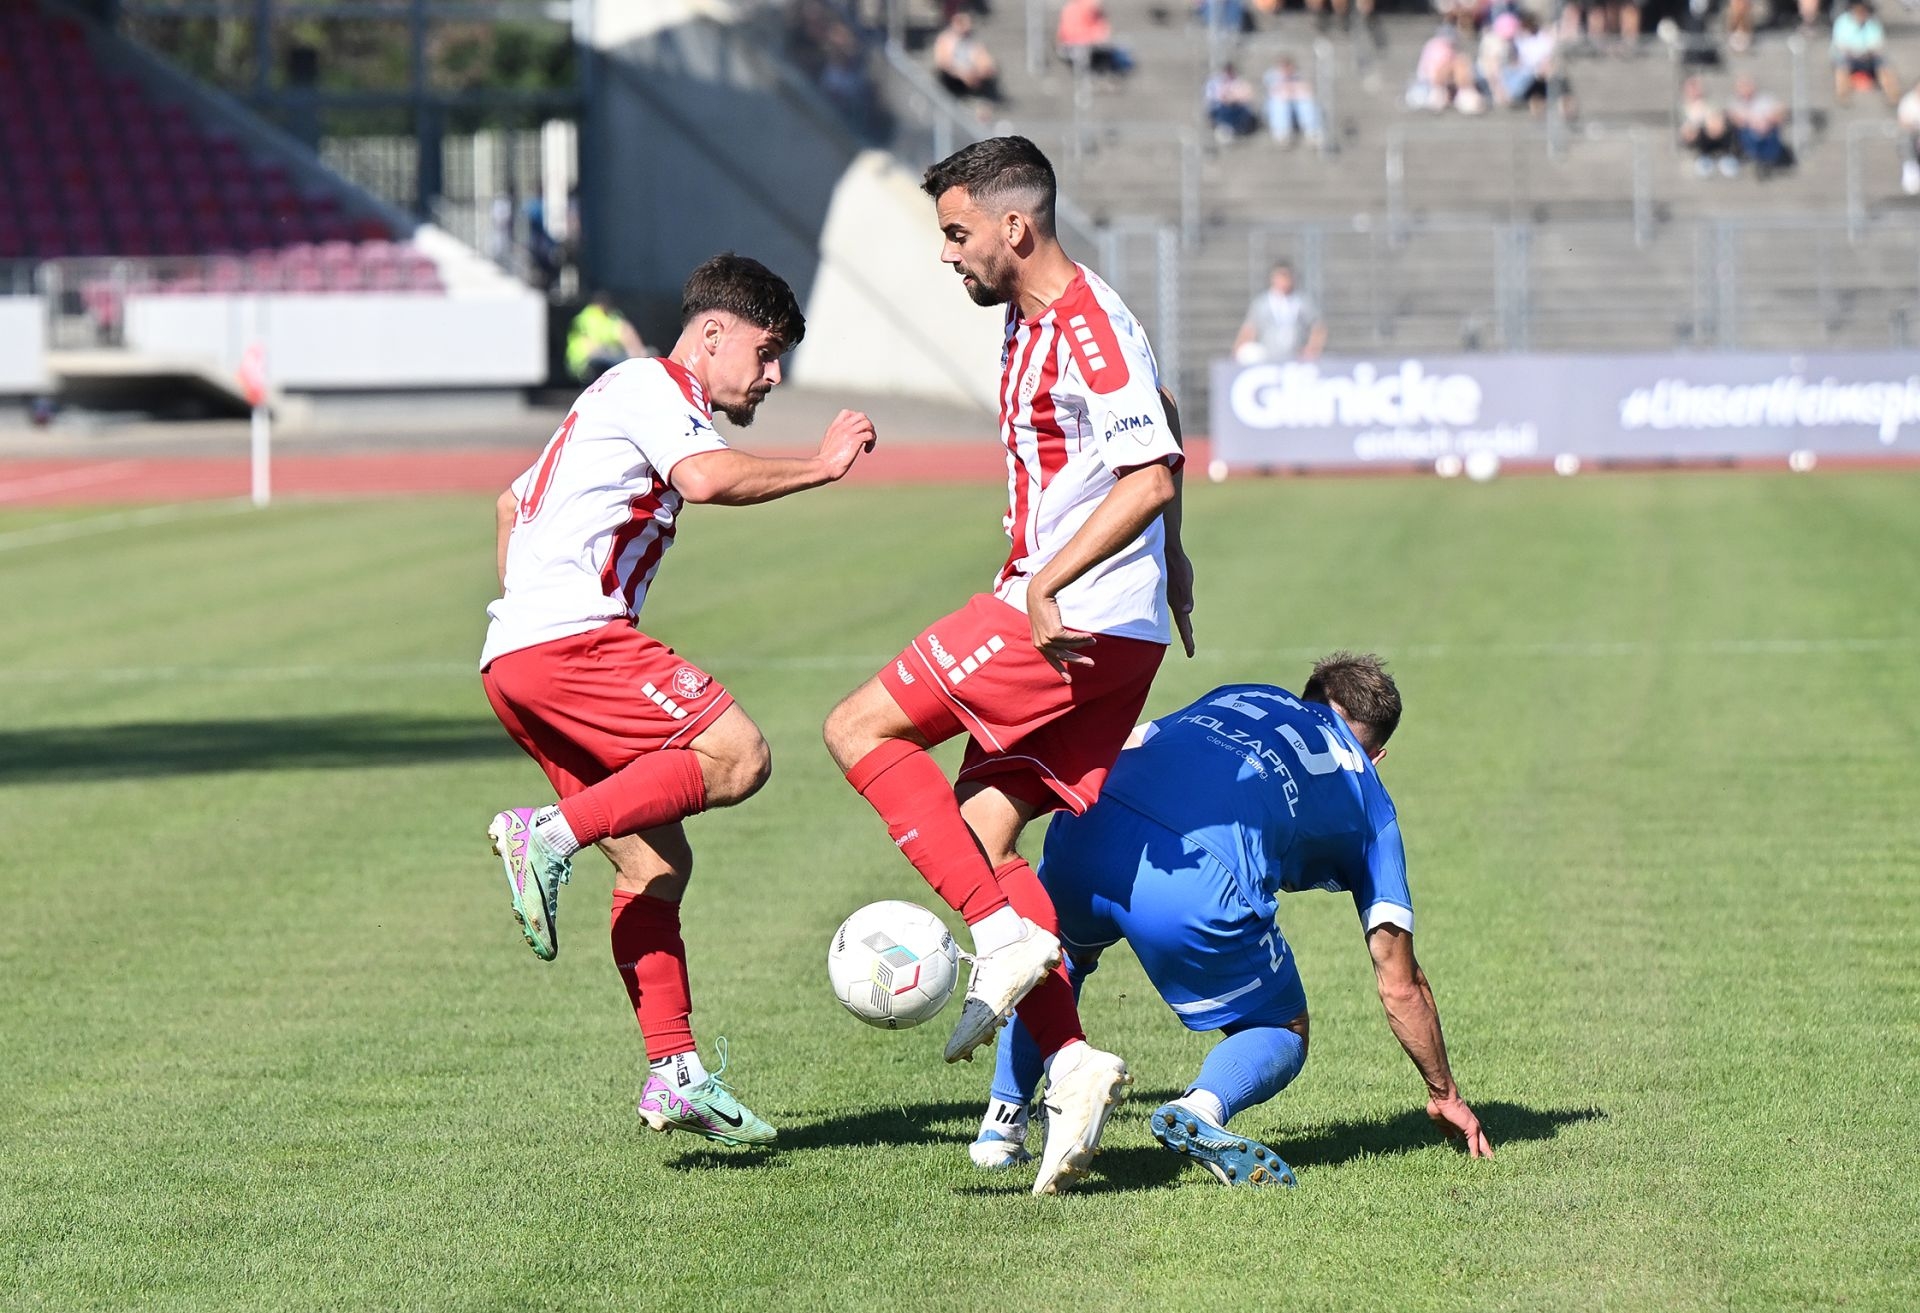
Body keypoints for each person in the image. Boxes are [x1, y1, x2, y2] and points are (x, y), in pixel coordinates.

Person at [820, 136, 1196, 1197]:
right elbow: (1163, 416)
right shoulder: (1037, 318)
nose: (947, 253)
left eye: (957, 232)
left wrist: (1050, 583)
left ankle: (998, 938)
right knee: (981, 832)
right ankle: (1071, 1066)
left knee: (857, 728)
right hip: (1102, 621)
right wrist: (1178, 562)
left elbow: (1153, 472)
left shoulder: (1087, 323)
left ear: (1014, 226)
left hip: (1069, 617)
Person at [481, 254, 877, 1149]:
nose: (773, 376)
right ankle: (545, 834)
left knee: (656, 867)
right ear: (712, 334)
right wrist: (821, 467)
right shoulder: (651, 384)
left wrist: (525, 612)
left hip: (517, 660)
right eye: (766, 353)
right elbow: (703, 478)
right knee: (740, 756)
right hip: (572, 643)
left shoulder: (616, 399)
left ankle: (676, 1072)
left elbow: (509, 504)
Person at [970, 655, 1494, 1185]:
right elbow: (1399, 983)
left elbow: (1132, 741)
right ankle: (1201, 1107)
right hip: (1193, 887)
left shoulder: (1245, 694)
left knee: (1051, 961)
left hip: (1088, 825)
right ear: (1377, 756)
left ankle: (1001, 1128)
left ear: (1307, 698)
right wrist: (1444, 1094)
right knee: (1282, 1028)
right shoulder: (1370, 799)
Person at [1232, 261, 1325, 364]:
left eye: (1287, 277)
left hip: (1295, 359)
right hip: (1268, 359)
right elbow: (1249, 329)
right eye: (1280, 277)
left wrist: (1312, 348)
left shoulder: (1302, 302)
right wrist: (1238, 350)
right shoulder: (1262, 304)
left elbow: (1318, 327)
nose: (1283, 281)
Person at [565, 291, 650, 385]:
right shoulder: (593, 317)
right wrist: (637, 353)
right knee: (623, 362)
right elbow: (618, 333)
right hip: (584, 362)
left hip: (580, 362)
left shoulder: (585, 315)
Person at [1830, 0, 1900, 105]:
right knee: (1842, 63)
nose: (1862, 14)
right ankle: (1843, 96)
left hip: (1869, 57)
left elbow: (1878, 45)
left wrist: (1868, 53)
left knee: (1884, 64)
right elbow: (1839, 44)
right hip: (1849, 57)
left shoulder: (1873, 23)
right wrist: (1855, 53)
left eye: (1864, 11)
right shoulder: (1842, 22)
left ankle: (1893, 96)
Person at [1728, 75, 1794, 176]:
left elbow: (1781, 112)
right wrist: (1753, 122)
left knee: (1771, 133)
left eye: (1747, 85)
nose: (1745, 89)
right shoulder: (1735, 103)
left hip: (1768, 130)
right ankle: (1759, 160)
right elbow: (1735, 119)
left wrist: (1767, 121)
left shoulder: (1765, 99)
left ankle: (1768, 160)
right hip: (1748, 133)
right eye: (1742, 87)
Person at [934, 11, 1004, 105]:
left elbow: (984, 60)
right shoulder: (945, 40)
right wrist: (962, 74)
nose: (967, 27)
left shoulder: (974, 42)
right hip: (952, 77)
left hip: (972, 75)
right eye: (963, 23)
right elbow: (943, 62)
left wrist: (980, 71)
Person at [1680, 77, 1740, 178]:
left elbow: (1717, 119)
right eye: (1691, 88)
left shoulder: (1711, 103)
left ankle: (1726, 156)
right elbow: (1687, 128)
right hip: (1698, 135)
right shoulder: (1683, 108)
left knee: (1721, 125)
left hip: (1714, 131)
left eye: (1696, 87)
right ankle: (1704, 157)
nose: (1694, 91)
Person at [1057, 0, 1133, 76]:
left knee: (1121, 51)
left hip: (1093, 47)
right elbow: (1069, 34)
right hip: (1075, 47)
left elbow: (1102, 34)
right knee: (1082, 54)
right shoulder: (1073, 10)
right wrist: (1091, 40)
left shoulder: (1096, 13)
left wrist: (1099, 40)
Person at [1264, 56, 1325, 147]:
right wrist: (1292, 90)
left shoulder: (1299, 76)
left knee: (1305, 101)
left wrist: (1291, 90)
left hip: (1296, 112)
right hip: (1275, 112)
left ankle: (1313, 132)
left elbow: (1307, 91)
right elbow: (1275, 92)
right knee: (1280, 102)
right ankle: (1282, 134)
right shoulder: (1271, 76)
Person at [1206, 63, 1261, 142]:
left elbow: (1248, 95)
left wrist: (1234, 98)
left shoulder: (1239, 82)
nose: (1229, 75)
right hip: (1222, 108)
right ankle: (1225, 130)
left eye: (1231, 72)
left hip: (1238, 108)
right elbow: (1213, 97)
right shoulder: (1216, 83)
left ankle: (1237, 130)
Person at [1899, 82, 1920, 194]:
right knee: (1906, 141)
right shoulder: (1908, 101)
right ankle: (1911, 171)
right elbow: (1903, 122)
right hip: (1913, 135)